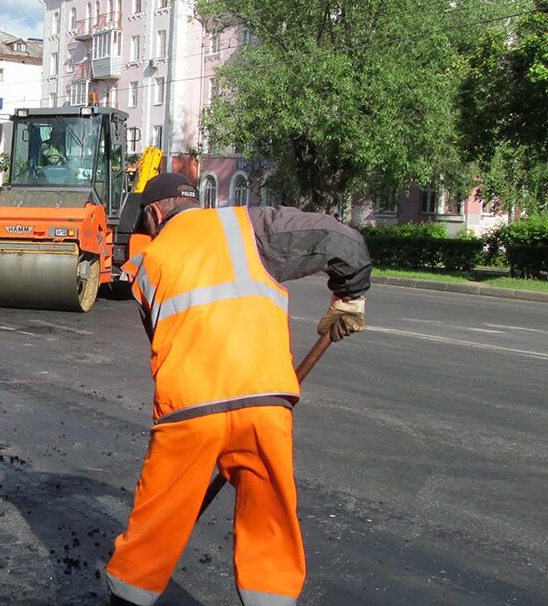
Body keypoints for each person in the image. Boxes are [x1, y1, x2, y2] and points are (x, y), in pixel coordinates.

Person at [106, 173, 371, 606]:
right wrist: (349, 298)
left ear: (155, 214)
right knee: (270, 527)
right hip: (264, 405)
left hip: (189, 412)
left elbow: (166, 340)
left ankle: (128, 596)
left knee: (155, 526)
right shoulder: (249, 227)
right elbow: (341, 239)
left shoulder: (147, 263)